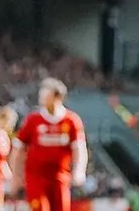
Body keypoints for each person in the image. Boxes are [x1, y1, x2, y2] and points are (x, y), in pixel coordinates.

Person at [11, 78, 88, 211]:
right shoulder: (33, 120)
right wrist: (16, 176)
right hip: (35, 177)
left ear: (57, 96)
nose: (41, 98)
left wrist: (79, 171)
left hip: (60, 177)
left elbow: (79, 149)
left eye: (45, 94)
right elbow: (18, 150)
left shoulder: (71, 121)